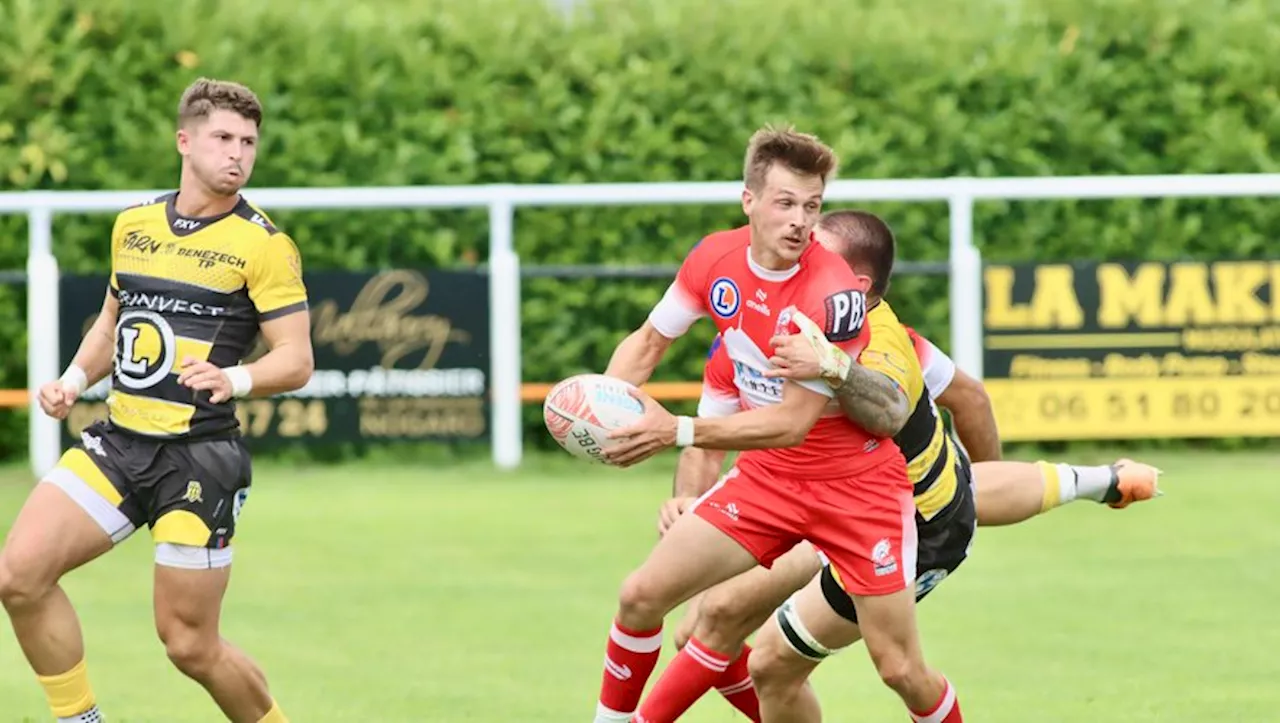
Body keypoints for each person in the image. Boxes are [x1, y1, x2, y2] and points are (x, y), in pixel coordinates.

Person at [636, 210, 1160, 722]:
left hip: (901, 519)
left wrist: (839, 371)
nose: (801, 262)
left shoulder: (886, 346)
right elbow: (711, 434)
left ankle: (1086, 485)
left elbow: (960, 400)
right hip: (817, 500)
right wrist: (690, 499)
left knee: (836, 660)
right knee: (716, 629)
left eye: (820, 257)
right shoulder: (763, 321)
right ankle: (1102, 481)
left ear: (859, 287)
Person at [591, 125, 963, 723]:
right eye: (786, 202)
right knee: (640, 597)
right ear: (750, 200)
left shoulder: (831, 292)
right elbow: (650, 339)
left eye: (811, 207)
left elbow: (791, 422)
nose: (799, 221)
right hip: (769, 481)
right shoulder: (713, 258)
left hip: (857, 492)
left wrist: (673, 430)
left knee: (900, 669)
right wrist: (605, 402)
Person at [0, 78, 312, 723]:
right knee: (18, 577)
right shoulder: (135, 224)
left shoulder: (264, 245)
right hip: (118, 444)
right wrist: (74, 379)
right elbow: (115, 320)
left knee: (189, 645)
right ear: (185, 140)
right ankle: (80, 718)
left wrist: (239, 379)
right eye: (223, 138)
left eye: (249, 142)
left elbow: (297, 359)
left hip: (197, 460)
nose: (238, 154)